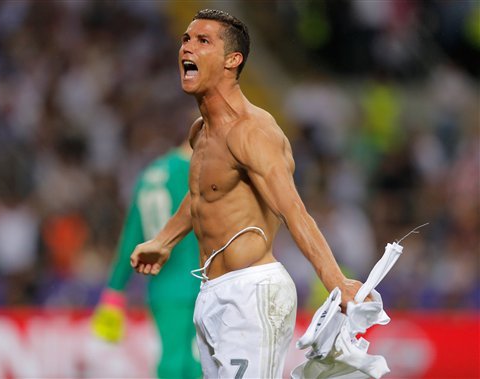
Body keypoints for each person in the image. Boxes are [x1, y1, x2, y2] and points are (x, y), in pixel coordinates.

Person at [131, 9, 368, 378]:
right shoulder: (201, 132)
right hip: (211, 292)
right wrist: (164, 240)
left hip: (253, 293)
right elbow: (200, 197)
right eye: (186, 40)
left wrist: (336, 283)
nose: (187, 48)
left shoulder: (252, 131)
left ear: (232, 60)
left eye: (202, 41)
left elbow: (294, 210)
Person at [92, 140, 201, 379]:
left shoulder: (151, 174)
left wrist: (115, 290)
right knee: (195, 360)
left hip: (162, 285)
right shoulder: (198, 170)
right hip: (198, 279)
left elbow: (131, 237)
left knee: (173, 356)